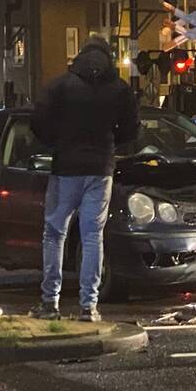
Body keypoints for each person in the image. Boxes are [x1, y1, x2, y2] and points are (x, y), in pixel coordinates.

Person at [29, 36, 139, 322]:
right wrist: (110, 143)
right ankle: (89, 307)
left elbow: (38, 121)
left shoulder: (61, 86)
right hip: (100, 169)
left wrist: (57, 142)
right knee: (92, 236)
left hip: (66, 167)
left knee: (54, 233)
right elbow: (131, 130)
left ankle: (50, 302)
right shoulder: (119, 90)